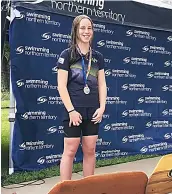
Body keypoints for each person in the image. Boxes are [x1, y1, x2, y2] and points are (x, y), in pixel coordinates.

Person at [57, 14, 107, 181]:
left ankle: (88, 188)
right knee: (70, 150)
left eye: (89, 28)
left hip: (92, 110)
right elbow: (61, 86)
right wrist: (71, 110)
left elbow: (101, 84)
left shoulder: (98, 57)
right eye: (83, 28)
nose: (87, 31)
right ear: (76, 30)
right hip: (73, 110)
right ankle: (65, 190)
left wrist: (102, 108)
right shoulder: (67, 54)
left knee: (90, 150)